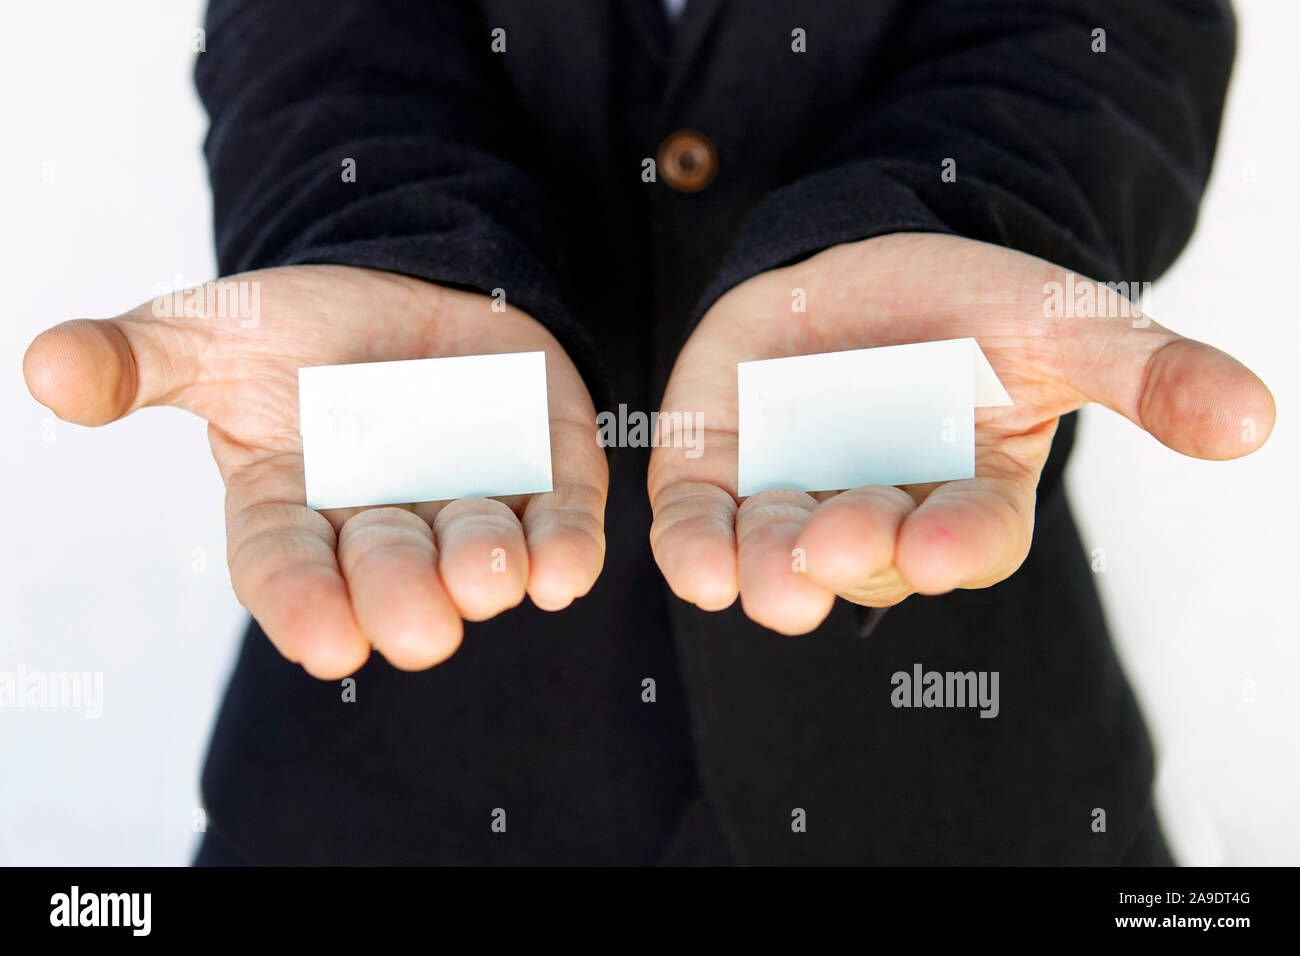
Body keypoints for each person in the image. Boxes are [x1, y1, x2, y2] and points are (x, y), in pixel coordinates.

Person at [22, 0, 1273, 865]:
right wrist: (388, 250)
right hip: (405, 771)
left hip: (944, 764)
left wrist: (956, 223)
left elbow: (1113, 27)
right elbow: (315, 34)